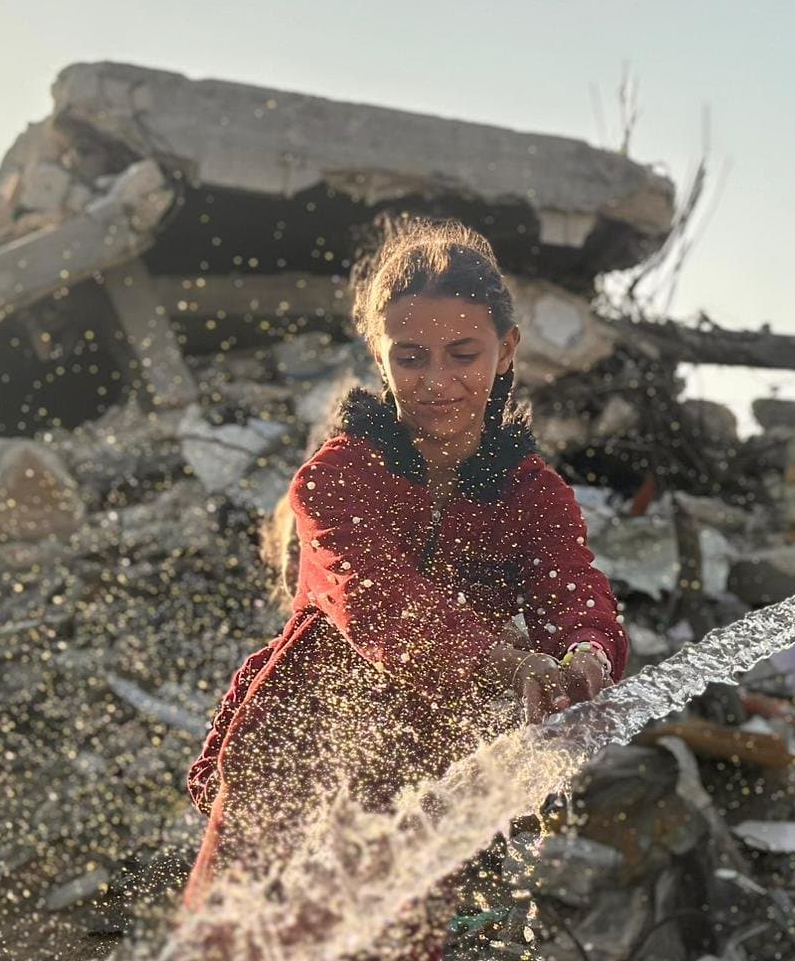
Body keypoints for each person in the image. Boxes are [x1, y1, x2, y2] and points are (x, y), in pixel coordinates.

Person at [181, 218, 628, 957]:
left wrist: (585, 655)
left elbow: (573, 591)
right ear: (379, 357)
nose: (438, 382)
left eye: (464, 354)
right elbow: (378, 600)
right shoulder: (336, 478)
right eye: (412, 357)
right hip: (298, 754)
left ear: (507, 350)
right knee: (237, 944)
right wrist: (513, 667)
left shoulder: (532, 494)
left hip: (430, 779)